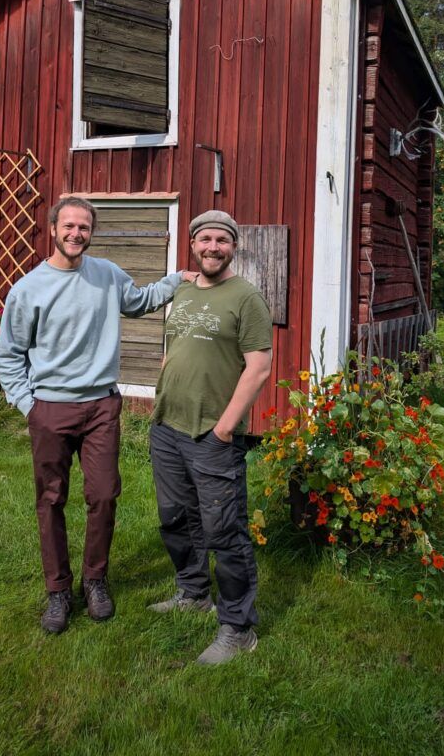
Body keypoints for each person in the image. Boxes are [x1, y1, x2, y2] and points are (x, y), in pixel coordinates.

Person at [0, 196, 193, 634]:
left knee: (103, 494)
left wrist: (178, 279)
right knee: (51, 500)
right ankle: (58, 590)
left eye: (84, 227)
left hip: (101, 406)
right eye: (68, 225)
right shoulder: (28, 288)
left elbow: (140, 301)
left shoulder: (106, 275)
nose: (76, 234)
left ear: (92, 232)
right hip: (50, 407)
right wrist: (30, 407)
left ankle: (95, 580)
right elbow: (9, 356)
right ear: (53, 228)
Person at [148, 209, 273, 665]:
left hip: (211, 434)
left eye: (222, 239)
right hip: (168, 427)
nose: (213, 247)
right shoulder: (181, 291)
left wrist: (225, 428)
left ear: (233, 247)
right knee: (176, 518)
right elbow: (174, 347)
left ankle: (238, 628)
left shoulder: (246, 297)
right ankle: (193, 592)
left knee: (224, 529)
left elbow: (259, 366)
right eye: (205, 239)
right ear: (193, 244)